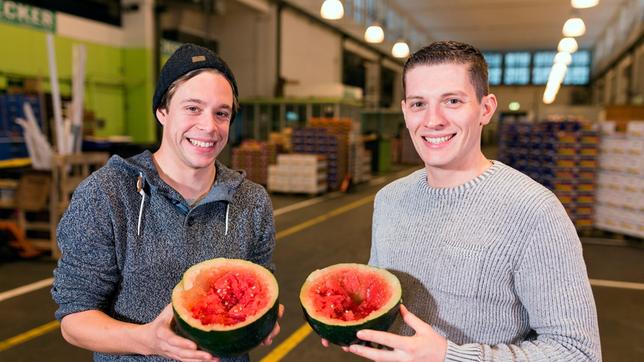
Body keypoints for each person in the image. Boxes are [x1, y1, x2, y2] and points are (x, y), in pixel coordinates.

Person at [340, 41, 601, 361]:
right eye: (419, 103)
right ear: (406, 111)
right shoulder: (389, 199)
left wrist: (449, 356)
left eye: (452, 101)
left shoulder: (533, 211)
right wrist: (346, 320)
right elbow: (379, 299)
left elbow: (577, 352)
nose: (433, 119)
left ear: (486, 109)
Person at [52, 43, 281, 361]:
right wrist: (147, 341)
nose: (209, 126)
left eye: (222, 113)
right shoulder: (106, 195)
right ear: (162, 111)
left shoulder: (252, 201)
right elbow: (74, 319)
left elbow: (263, 281)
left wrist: (260, 319)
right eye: (192, 108)